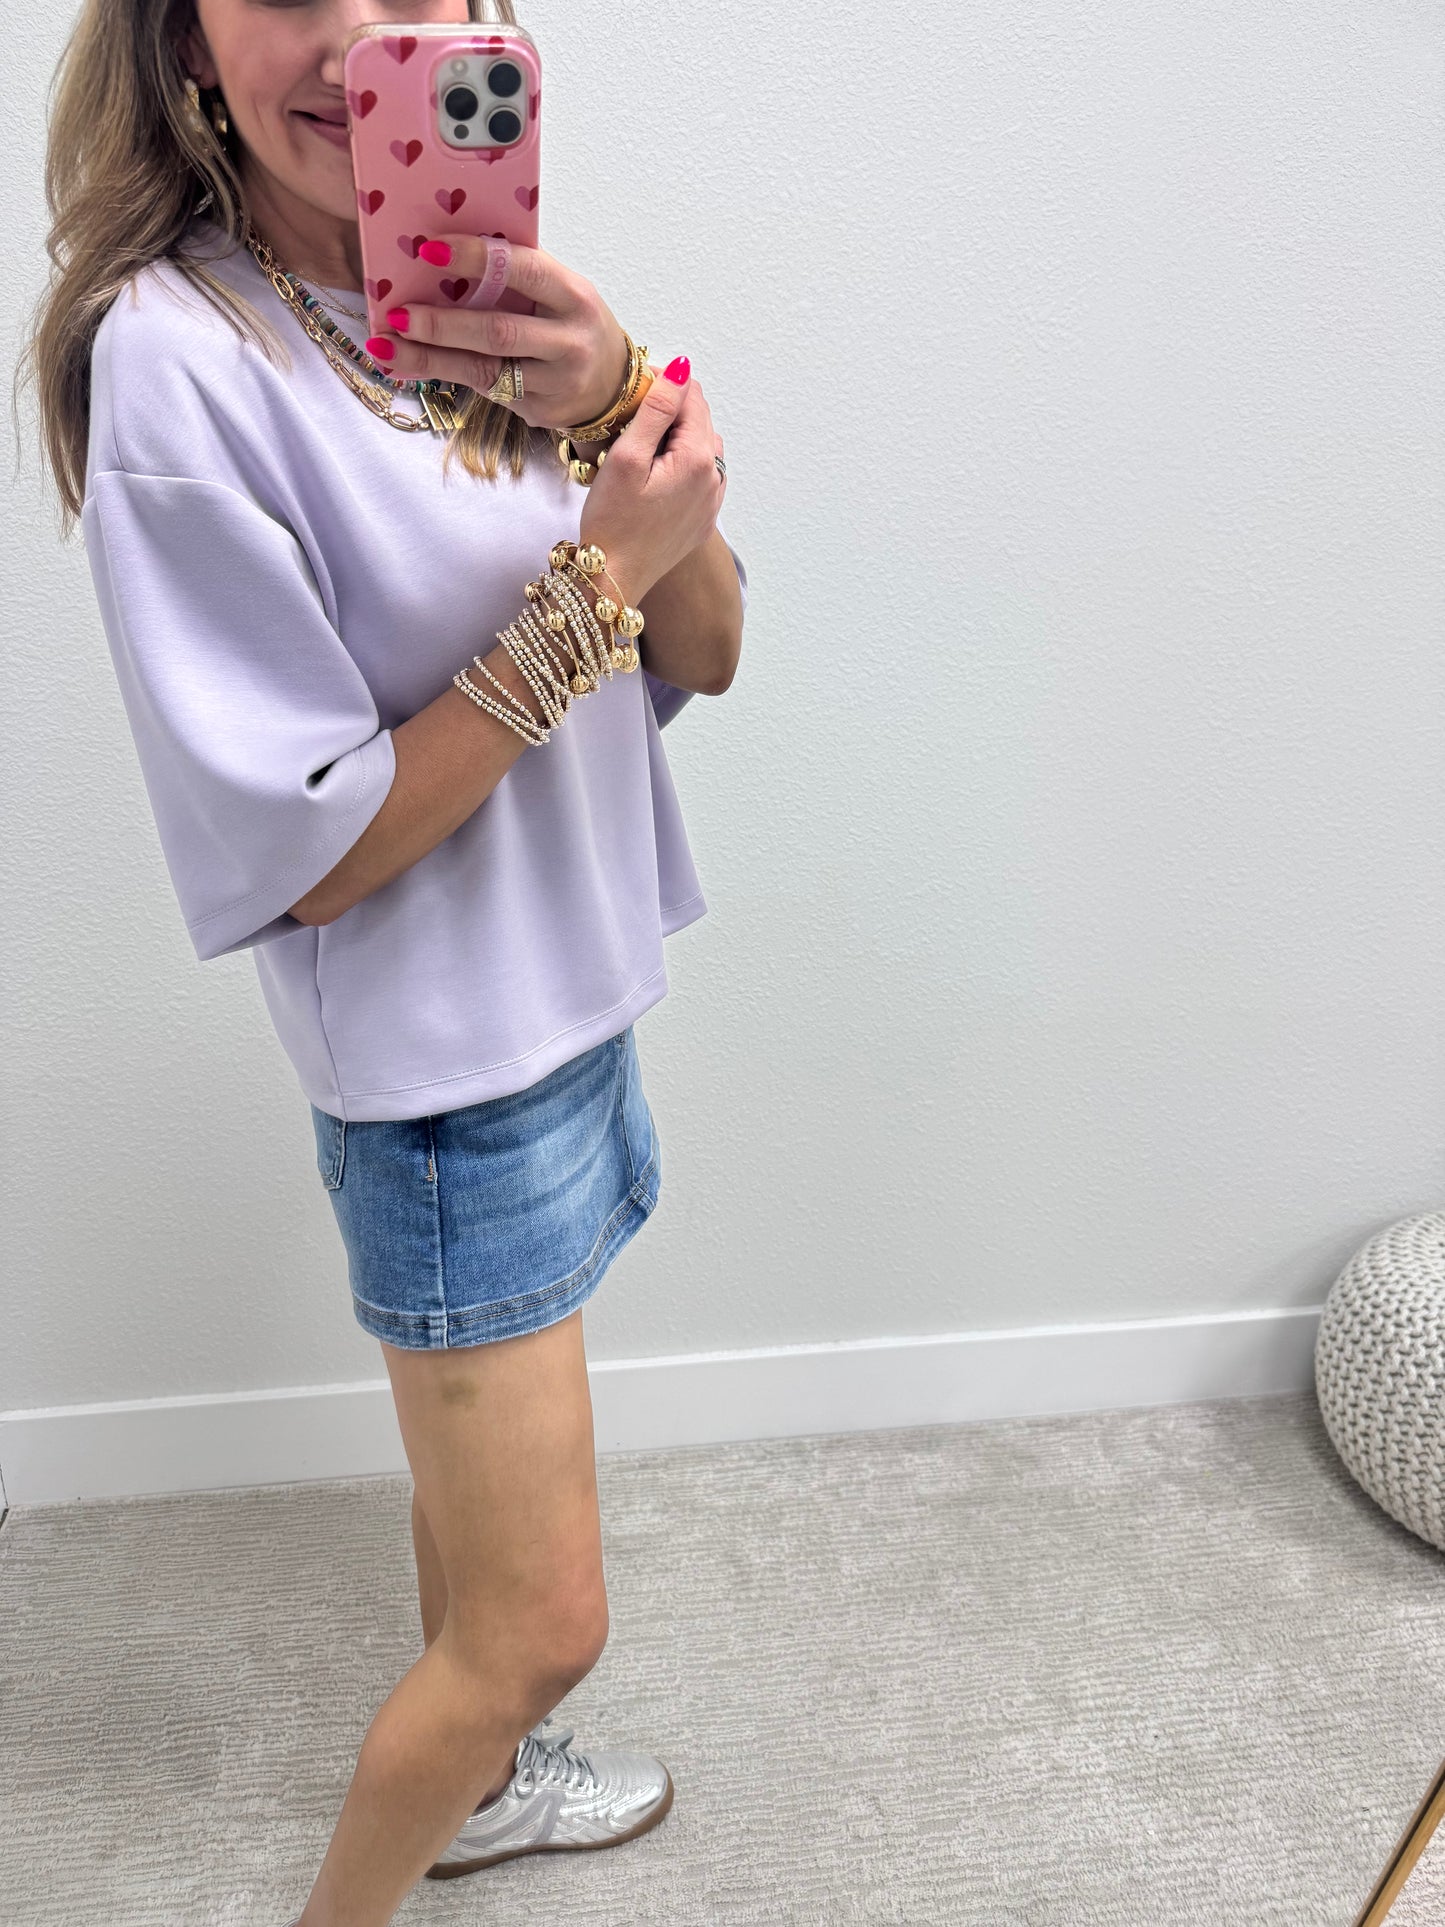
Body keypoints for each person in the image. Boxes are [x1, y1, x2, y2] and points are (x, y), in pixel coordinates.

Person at [20, 0, 745, 1919]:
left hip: (565, 999)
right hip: (444, 1085)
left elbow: (711, 650)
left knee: (468, 1515)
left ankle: (485, 1798)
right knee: (540, 1627)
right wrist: (595, 579)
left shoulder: (494, 299)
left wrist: (617, 400)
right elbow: (315, 849)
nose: (352, 41)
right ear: (186, 44)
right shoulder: (178, 360)